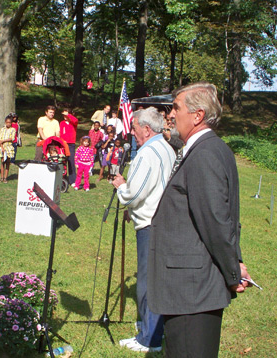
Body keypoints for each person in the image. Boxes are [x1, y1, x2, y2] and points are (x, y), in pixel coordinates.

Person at [147, 82, 252, 358]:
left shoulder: (205, 154)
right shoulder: (207, 149)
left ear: (198, 115)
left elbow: (216, 221)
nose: (170, 114)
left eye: (177, 108)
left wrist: (232, 271)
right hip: (190, 288)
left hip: (192, 292)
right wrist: (236, 263)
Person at [111, 107, 176, 353]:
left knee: (148, 282)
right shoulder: (166, 148)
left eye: (135, 128)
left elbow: (134, 193)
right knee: (155, 280)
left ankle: (149, 338)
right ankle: (151, 329)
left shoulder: (147, 153)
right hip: (161, 221)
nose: (132, 133)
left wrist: (121, 186)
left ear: (147, 129)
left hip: (151, 225)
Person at [59, 108, 78, 185]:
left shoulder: (73, 123)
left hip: (71, 144)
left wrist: (69, 115)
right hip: (63, 144)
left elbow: (76, 120)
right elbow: (60, 133)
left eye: (66, 115)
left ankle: (72, 180)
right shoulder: (62, 123)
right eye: (64, 115)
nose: (65, 116)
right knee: (63, 161)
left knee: (71, 162)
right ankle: (63, 178)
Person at [0, 116, 16, 183]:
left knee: (7, 162)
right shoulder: (2, 129)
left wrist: (4, 140)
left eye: (9, 123)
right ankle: (1, 177)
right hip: (3, 147)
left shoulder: (13, 129)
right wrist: (1, 147)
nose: (8, 124)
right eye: (7, 122)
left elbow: (12, 138)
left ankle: (6, 177)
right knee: (2, 162)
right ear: (5, 122)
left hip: (9, 147)